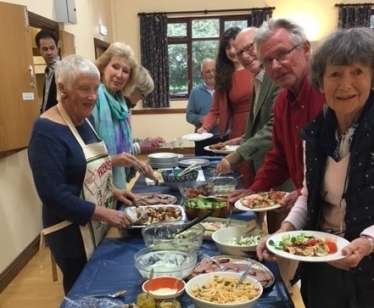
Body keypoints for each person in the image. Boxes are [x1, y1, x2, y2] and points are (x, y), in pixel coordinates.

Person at [257, 27, 374, 308]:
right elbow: (309, 196)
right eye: (335, 74)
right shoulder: (316, 133)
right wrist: (282, 232)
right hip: (322, 262)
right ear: (320, 82)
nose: (345, 85)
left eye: (357, 72)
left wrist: (368, 242)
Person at [228, 18, 325, 292]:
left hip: (335, 214)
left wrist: (301, 191)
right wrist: (254, 190)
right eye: (268, 60)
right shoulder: (282, 101)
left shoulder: (328, 93)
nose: (275, 66)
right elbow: (279, 158)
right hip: (307, 209)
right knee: (314, 288)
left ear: (305, 48)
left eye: (282, 54)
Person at [28, 55, 136, 294]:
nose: (92, 96)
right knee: (83, 292)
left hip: (95, 222)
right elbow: (53, 194)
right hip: (70, 232)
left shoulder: (84, 120)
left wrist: (115, 192)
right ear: (62, 88)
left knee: (103, 288)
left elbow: (88, 172)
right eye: (84, 89)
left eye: (95, 89)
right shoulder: (46, 131)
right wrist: (104, 214)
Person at [216, 27, 294, 213]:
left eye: (249, 48)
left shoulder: (276, 77)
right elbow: (261, 121)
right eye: (239, 52)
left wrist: (236, 155)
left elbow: (274, 126)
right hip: (267, 169)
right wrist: (243, 138)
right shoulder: (258, 79)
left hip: (283, 173)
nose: (244, 56)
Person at [92, 42, 153, 190]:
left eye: (125, 71)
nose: (119, 75)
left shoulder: (121, 105)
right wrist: (112, 161)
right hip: (96, 186)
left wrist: (138, 164)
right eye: (115, 67)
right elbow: (84, 157)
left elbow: (122, 151)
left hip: (117, 183)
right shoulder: (93, 100)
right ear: (103, 67)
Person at [198, 27, 253, 186]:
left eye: (235, 45)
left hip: (261, 127)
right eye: (227, 47)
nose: (232, 50)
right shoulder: (224, 76)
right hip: (238, 130)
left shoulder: (256, 68)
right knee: (243, 177)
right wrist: (204, 128)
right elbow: (215, 110)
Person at [186, 58, 228, 156]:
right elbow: (189, 116)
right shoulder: (195, 92)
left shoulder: (225, 89)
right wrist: (201, 119)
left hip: (224, 138)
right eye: (208, 71)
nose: (211, 74)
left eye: (214, 70)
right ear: (202, 74)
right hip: (202, 139)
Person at [124, 65, 165, 156]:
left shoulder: (126, 109)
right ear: (133, 89)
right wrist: (139, 146)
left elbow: (127, 141)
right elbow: (117, 153)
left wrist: (145, 142)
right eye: (143, 95)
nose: (142, 99)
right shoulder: (117, 110)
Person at [35, 29, 60, 113]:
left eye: (52, 48)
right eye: (45, 49)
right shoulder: (48, 71)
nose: (49, 52)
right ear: (39, 51)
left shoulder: (64, 70)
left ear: (57, 49)